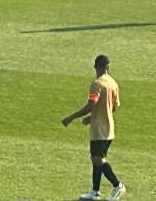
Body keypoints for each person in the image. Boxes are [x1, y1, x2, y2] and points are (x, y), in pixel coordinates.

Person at [59, 53, 125, 200]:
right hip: (109, 129)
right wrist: (91, 117)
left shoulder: (97, 84)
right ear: (107, 67)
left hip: (99, 130)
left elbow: (91, 105)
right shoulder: (113, 83)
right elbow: (114, 107)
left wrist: (71, 117)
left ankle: (117, 185)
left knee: (98, 160)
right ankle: (95, 192)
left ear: (96, 66)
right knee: (96, 158)